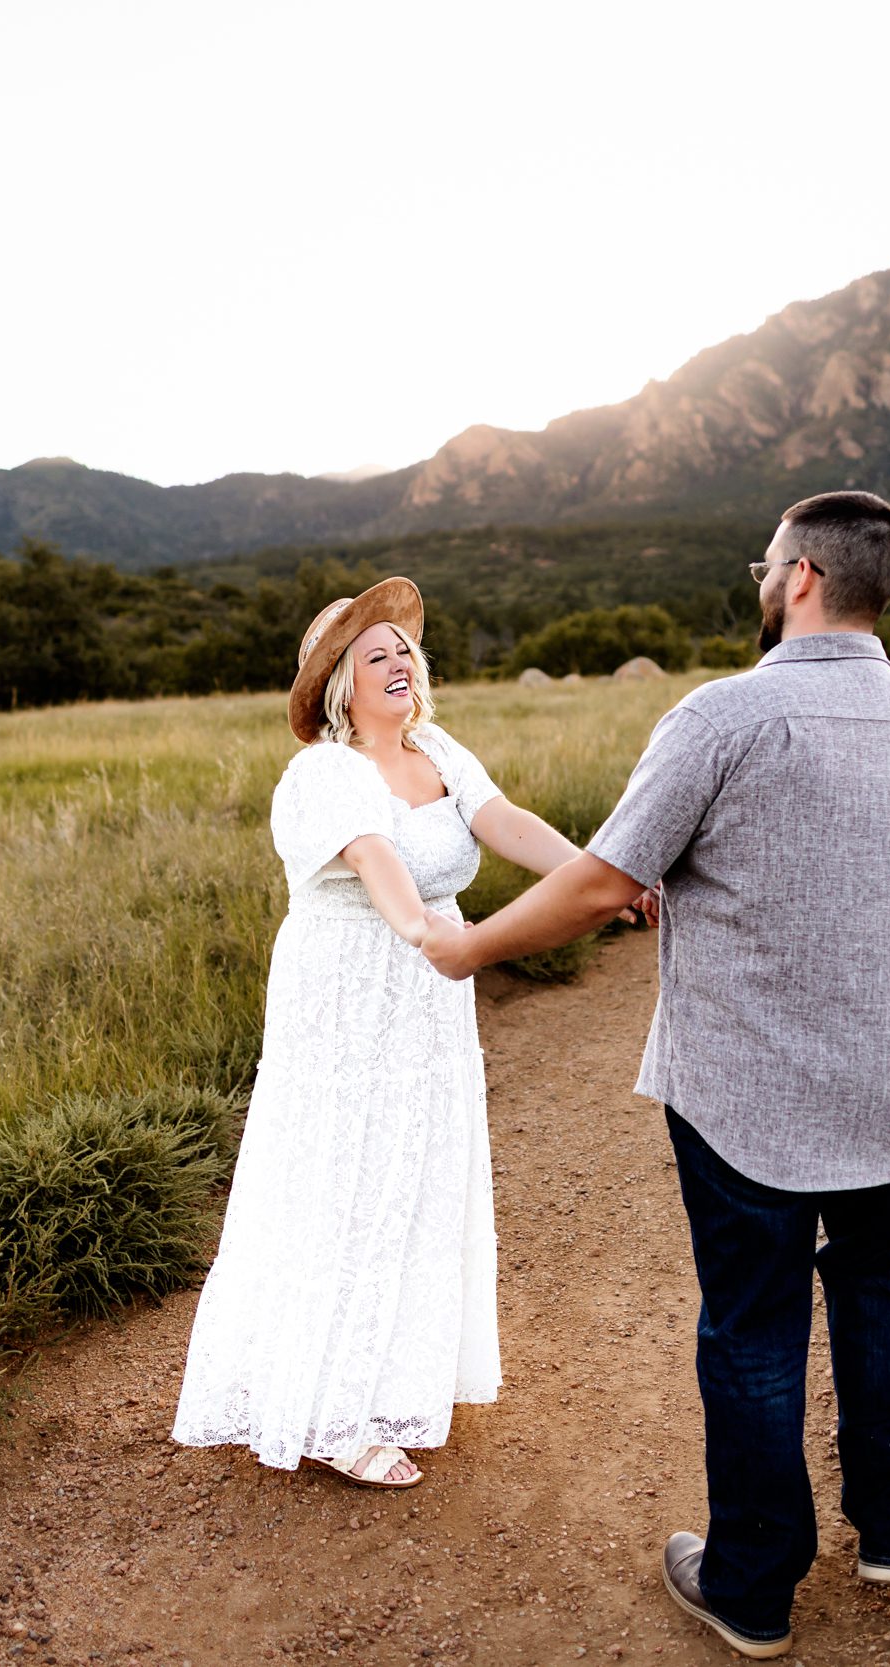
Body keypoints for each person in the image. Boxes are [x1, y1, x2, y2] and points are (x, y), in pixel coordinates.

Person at [420, 492, 890, 1657]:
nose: (761, 578)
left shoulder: (725, 713)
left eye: (765, 563)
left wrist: (467, 943)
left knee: (755, 1326)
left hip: (748, 1094)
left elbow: (601, 880)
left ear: (803, 574)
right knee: (884, 1294)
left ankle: (755, 1583)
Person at [170, 576, 645, 1488]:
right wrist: (436, 935)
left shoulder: (435, 748)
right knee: (345, 1169)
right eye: (373, 654)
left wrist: (600, 874)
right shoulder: (323, 772)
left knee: (416, 1165)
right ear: (338, 685)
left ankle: (395, 1376)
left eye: (403, 652)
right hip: (350, 987)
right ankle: (330, 1410)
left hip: (431, 991)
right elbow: (378, 861)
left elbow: (500, 821)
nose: (396, 663)